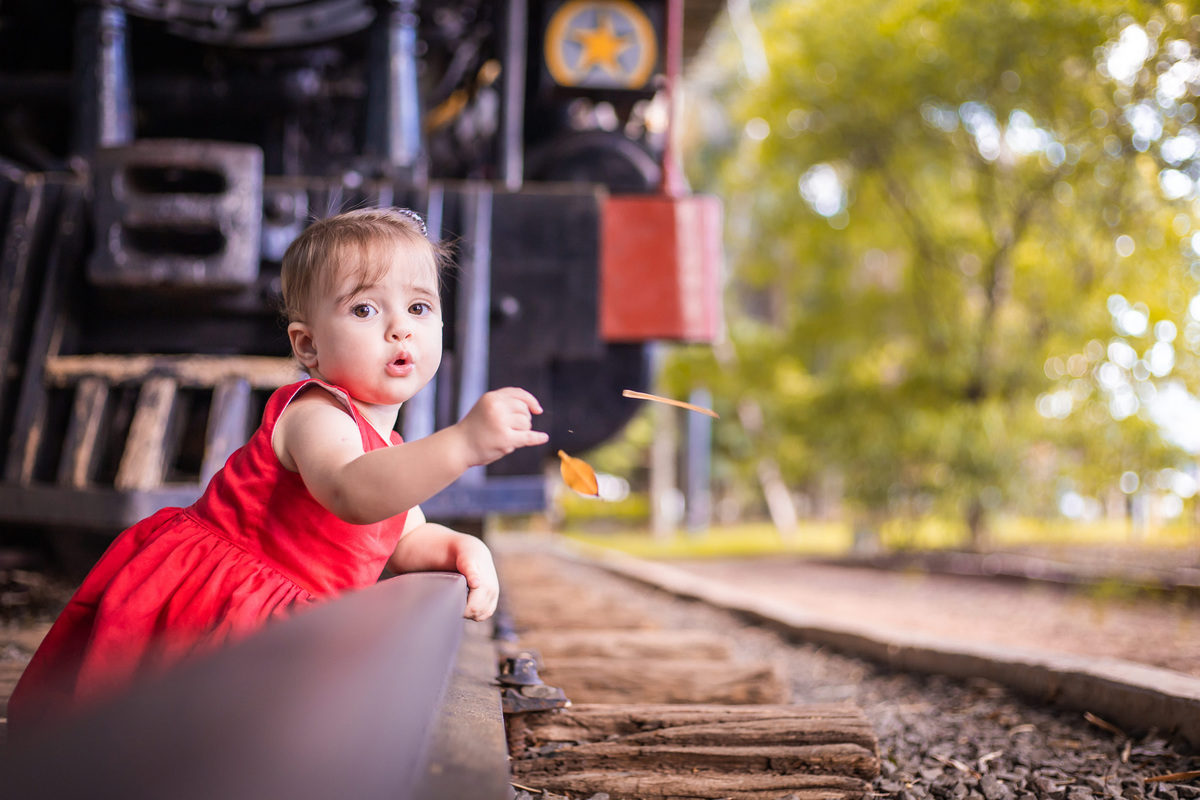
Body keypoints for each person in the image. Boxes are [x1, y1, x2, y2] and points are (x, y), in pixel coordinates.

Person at [8, 207, 549, 731]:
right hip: (221, 605)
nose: (399, 329)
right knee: (164, 738)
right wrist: (460, 445)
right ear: (308, 345)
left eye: (419, 307)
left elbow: (401, 536)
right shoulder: (316, 414)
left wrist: (460, 547)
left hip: (278, 619)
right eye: (365, 309)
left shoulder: (386, 449)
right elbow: (351, 492)